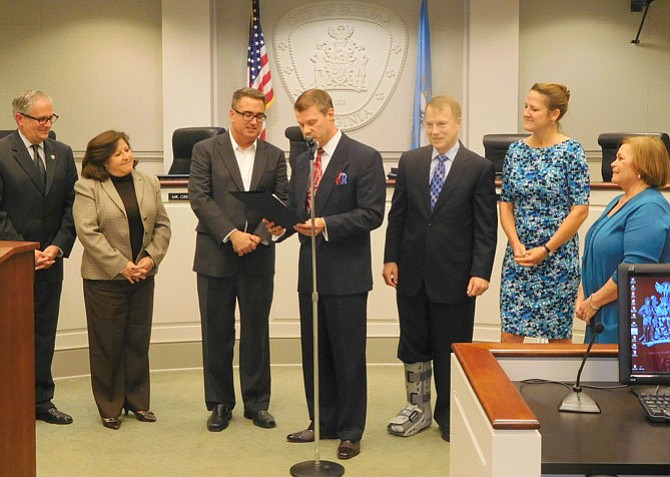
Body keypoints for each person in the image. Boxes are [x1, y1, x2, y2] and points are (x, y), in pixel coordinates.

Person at [265, 88, 386, 460]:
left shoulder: (363, 157)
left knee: (348, 354)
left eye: (312, 122)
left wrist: (325, 224)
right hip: (311, 272)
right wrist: (280, 226)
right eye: (302, 124)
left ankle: (350, 430)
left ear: (331, 115)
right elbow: (296, 209)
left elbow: (372, 214)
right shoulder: (302, 162)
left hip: (347, 275)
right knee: (315, 353)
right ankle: (322, 422)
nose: (307, 131)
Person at [382, 95, 497, 442]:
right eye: (429, 124)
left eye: (441, 124)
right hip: (411, 274)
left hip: (457, 277)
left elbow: (485, 227)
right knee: (413, 345)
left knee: (451, 349)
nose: (434, 131)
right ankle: (417, 408)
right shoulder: (411, 161)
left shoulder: (478, 167)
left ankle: (450, 414)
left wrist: (481, 271)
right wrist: (390, 258)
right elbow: (397, 215)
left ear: (458, 124)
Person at [188, 87, 288, 432]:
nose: (253, 121)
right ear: (232, 114)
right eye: (247, 114)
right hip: (216, 254)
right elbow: (199, 198)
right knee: (216, 332)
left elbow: (281, 198)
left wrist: (257, 235)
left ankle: (257, 403)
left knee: (256, 333)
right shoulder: (206, 151)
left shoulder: (275, 155)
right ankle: (219, 404)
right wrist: (232, 235)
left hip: (258, 256)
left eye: (259, 116)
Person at [73, 130, 171, 429]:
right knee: (108, 342)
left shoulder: (148, 181)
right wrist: (122, 265)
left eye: (127, 149)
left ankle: (138, 402)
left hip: (143, 275)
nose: (127, 156)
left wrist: (150, 258)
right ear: (103, 160)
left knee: (137, 340)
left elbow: (163, 226)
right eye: (118, 153)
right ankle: (110, 405)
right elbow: (87, 232)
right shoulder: (88, 186)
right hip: (105, 278)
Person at [0, 90, 78, 424]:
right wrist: (25, 252)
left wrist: (57, 247)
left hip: (50, 260)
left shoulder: (62, 153)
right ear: (20, 119)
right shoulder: (3, 153)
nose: (48, 124)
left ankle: (41, 400)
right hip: (13, 263)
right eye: (41, 119)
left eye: (51, 118)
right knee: (13, 333)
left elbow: (72, 205)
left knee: (45, 331)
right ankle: (12, 401)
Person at [499, 83, 590, 343]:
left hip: (557, 259)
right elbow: (506, 203)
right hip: (519, 259)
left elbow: (580, 210)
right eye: (526, 106)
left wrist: (547, 249)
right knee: (510, 337)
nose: (526, 112)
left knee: (558, 340)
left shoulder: (572, 152)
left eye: (534, 108)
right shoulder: (515, 151)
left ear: (554, 114)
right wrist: (515, 243)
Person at [576, 136, 670, 343]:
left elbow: (634, 268)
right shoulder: (618, 201)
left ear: (641, 167)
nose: (612, 163)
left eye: (620, 158)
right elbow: (593, 254)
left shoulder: (649, 209)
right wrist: (583, 295)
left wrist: (593, 302)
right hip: (601, 314)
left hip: (626, 322)